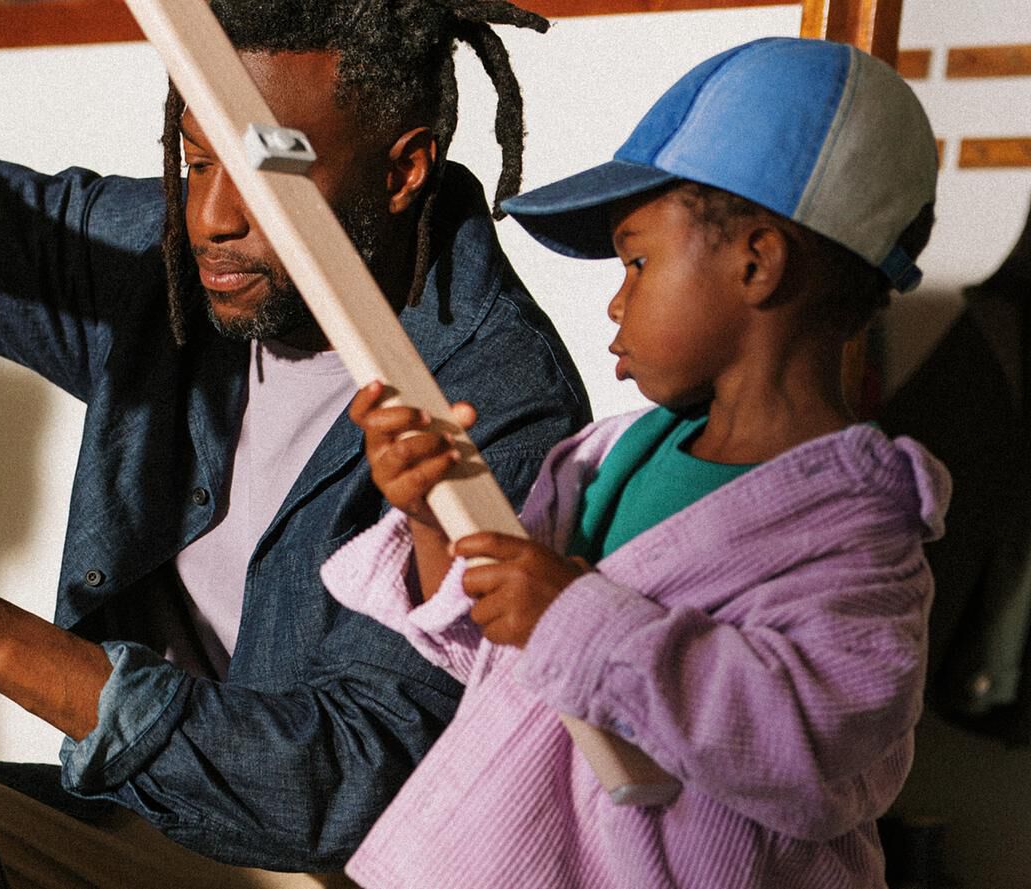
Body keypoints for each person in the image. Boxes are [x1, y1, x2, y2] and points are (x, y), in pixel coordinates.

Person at [0, 0, 589, 883]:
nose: (214, 215)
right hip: (144, 820)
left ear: (403, 170)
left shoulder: (501, 404)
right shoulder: (178, 268)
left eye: (269, 169)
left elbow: (353, 781)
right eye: (197, 158)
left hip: (333, 868)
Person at [324, 37, 950, 888]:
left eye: (638, 261)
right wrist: (442, 517)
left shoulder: (856, 533)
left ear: (756, 262)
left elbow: (810, 742)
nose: (617, 300)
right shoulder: (608, 457)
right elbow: (506, 659)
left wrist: (575, 616)